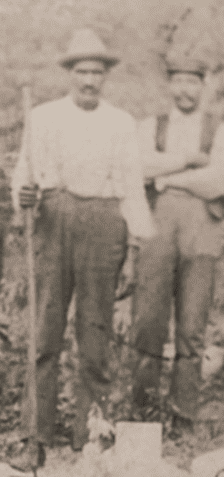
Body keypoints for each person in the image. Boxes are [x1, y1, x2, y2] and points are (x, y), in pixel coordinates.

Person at [9, 28, 156, 470]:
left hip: (105, 223)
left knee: (95, 337)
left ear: (105, 76)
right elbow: (23, 176)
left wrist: (133, 246)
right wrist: (27, 196)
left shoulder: (120, 122)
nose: (89, 80)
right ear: (70, 74)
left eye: (96, 72)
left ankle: (90, 435)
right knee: (45, 333)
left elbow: (132, 187)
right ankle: (34, 436)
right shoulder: (44, 116)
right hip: (55, 218)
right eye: (82, 71)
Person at [131, 56, 224, 431]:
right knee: (148, 321)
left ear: (203, 86)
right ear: (169, 85)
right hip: (158, 228)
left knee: (191, 326)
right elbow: (137, 168)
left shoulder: (218, 130)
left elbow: (217, 183)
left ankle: (183, 416)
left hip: (202, 231)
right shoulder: (149, 126)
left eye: (192, 82)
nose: (185, 89)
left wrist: (168, 178)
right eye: (179, 81)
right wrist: (187, 163)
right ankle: (144, 414)